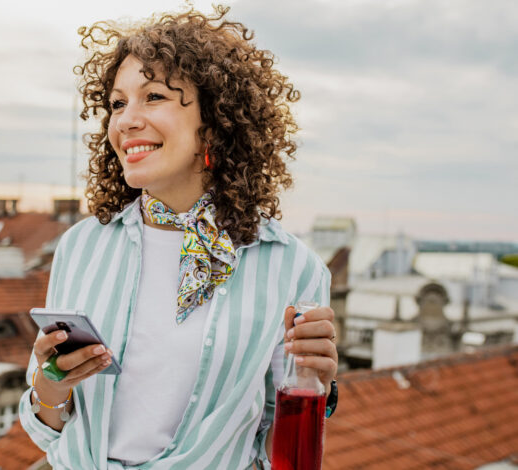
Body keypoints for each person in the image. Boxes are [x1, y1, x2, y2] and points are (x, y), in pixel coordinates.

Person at [19, 5, 338, 469]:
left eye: (153, 97)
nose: (126, 119)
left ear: (214, 121)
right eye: (117, 103)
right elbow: (47, 430)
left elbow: (280, 453)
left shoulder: (292, 267)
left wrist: (317, 390)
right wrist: (50, 386)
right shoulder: (81, 246)